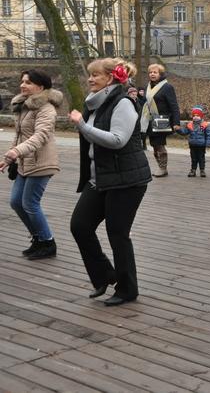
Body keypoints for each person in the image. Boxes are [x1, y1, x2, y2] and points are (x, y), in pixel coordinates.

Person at [69, 58, 152, 306]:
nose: (90, 79)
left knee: (118, 234)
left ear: (110, 78)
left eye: (96, 75)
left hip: (127, 180)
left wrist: (82, 126)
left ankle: (127, 290)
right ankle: (105, 275)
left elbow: (117, 140)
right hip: (101, 178)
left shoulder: (123, 102)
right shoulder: (95, 103)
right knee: (80, 226)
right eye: (90, 75)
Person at [1, 70, 62, 259]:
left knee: (30, 203)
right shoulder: (24, 106)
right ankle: (38, 238)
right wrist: (9, 158)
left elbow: (40, 136)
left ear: (40, 87)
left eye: (28, 82)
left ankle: (48, 242)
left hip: (41, 162)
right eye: (22, 81)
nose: (22, 85)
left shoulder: (46, 108)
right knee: (16, 202)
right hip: (24, 163)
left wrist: (17, 151)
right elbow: (19, 136)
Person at [139, 63, 180, 177]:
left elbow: (174, 106)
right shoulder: (148, 86)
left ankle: (162, 168)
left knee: (159, 144)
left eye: (155, 72)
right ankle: (161, 167)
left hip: (162, 120)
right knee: (154, 145)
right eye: (150, 72)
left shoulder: (167, 87)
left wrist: (176, 122)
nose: (152, 74)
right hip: (150, 120)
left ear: (160, 74)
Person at [176, 105, 210, 177]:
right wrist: (178, 129)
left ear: (201, 116)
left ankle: (202, 170)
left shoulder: (204, 125)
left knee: (201, 158)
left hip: (201, 145)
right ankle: (193, 170)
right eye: (194, 116)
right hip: (192, 144)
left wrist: (208, 143)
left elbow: (209, 135)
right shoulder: (190, 125)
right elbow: (184, 132)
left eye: (197, 115)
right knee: (193, 158)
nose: (195, 117)